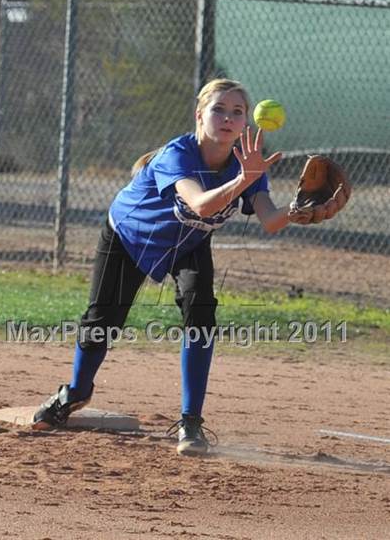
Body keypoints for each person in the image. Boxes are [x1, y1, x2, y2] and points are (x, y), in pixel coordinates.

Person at [33, 78, 292, 456]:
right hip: (129, 235)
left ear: (245, 123)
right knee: (103, 320)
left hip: (188, 243)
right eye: (219, 109)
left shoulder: (248, 165)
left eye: (237, 112)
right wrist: (244, 179)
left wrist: (300, 211)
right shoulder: (179, 154)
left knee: (200, 309)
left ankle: (190, 422)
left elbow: (270, 219)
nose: (228, 118)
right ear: (199, 114)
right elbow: (201, 204)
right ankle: (74, 392)